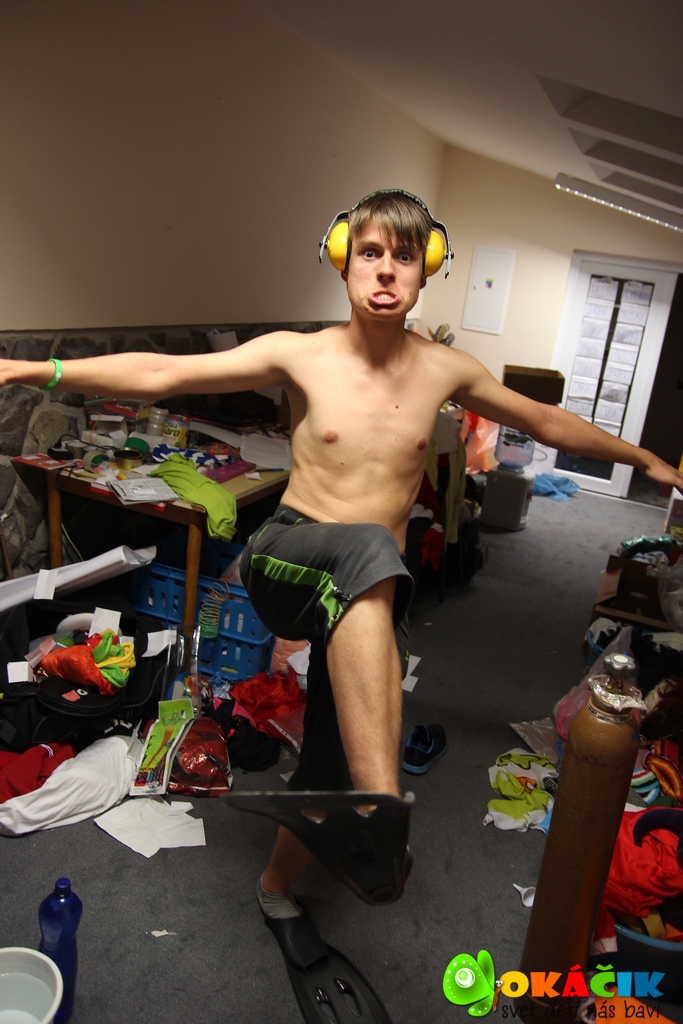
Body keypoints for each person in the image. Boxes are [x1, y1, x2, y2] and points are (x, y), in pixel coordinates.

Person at [2, 189, 682, 912]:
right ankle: (379, 811)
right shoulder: (301, 354)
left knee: (334, 753)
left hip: (370, 591)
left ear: (425, 269)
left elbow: (544, 419)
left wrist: (644, 460)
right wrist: (30, 371)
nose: (385, 270)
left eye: (402, 256)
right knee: (367, 551)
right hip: (288, 556)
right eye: (369, 253)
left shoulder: (446, 369)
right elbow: (163, 374)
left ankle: (276, 887)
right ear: (343, 262)